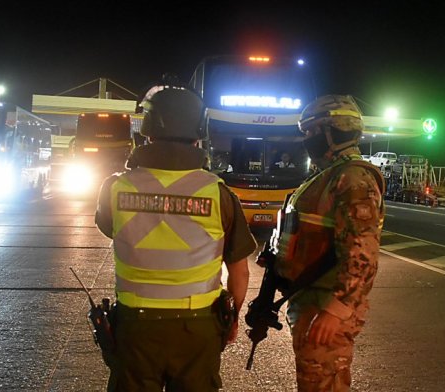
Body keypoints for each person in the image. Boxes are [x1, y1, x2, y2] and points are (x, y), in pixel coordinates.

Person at [94, 83, 256, 392]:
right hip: (198, 328)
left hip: (135, 327)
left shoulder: (115, 188)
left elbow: (109, 227)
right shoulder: (219, 194)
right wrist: (232, 317)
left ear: (147, 128)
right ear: (199, 132)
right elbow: (240, 270)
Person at [272, 95, 385, 391]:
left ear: (332, 133)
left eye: (311, 132)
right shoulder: (328, 176)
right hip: (310, 299)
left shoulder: (353, 179)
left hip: (327, 305)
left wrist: (336, 309)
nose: (307, 139)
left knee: (323, 384)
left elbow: (362, 255)